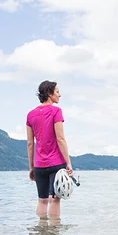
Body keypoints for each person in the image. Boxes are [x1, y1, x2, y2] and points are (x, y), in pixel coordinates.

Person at [26, 80, 73, 218]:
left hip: (39, 165)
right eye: (57, 92)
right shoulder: (56, 111)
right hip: (56, 163)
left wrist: (32, 167)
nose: (59, 95)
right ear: (49, 93)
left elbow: (30, 144)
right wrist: (68, 163)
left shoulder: (30, 115)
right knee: (55, 200)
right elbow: (60, 139)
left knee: (42, 200)